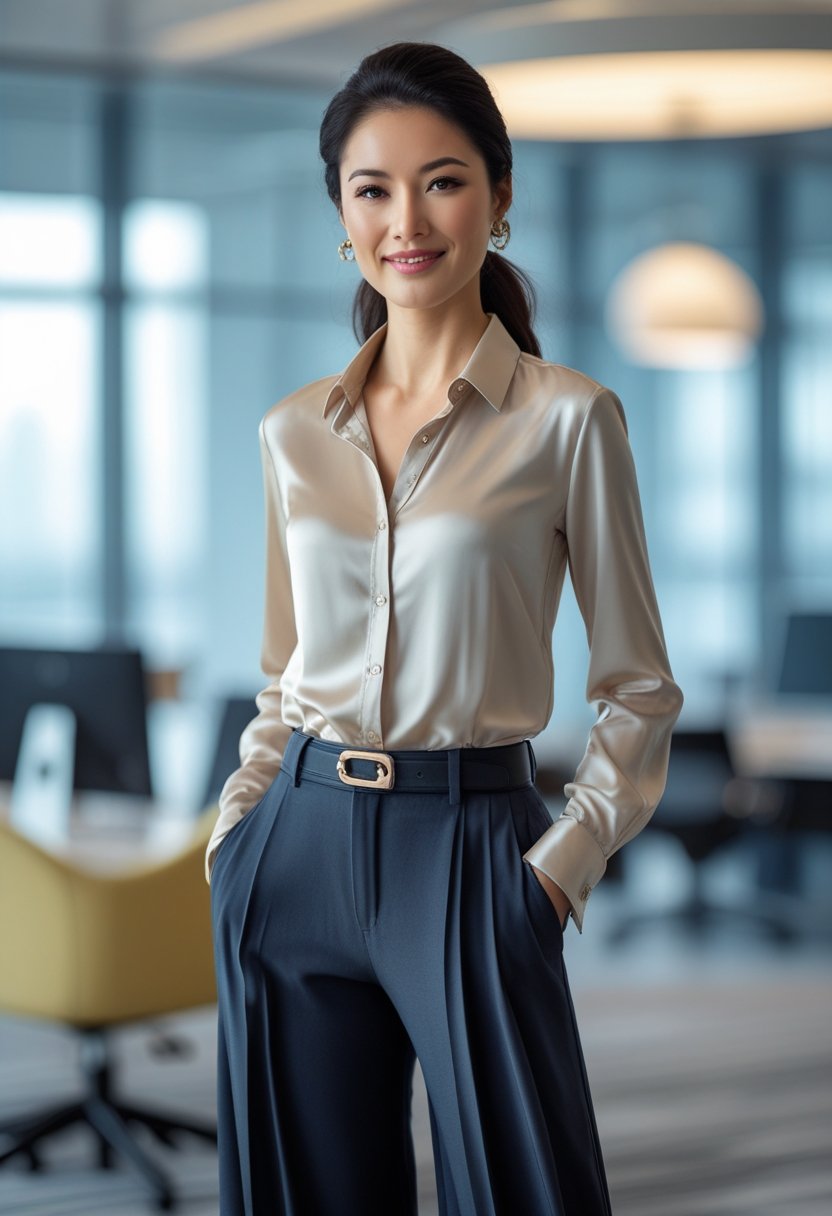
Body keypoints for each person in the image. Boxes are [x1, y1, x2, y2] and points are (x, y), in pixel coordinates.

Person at [206, 39, 684, 1216]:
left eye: (442, 179)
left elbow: (637, 686)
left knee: (522, 1189)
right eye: (372, 188)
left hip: (476, 851)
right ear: (341, 214)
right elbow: (284, 674)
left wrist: (559, 871)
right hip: (297, 843)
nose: (405, 218)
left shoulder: (570, 419)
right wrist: (238, 836)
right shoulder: (291, 434)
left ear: (498, 196)